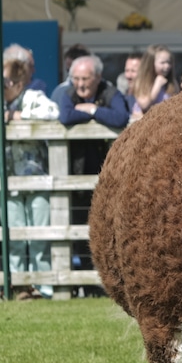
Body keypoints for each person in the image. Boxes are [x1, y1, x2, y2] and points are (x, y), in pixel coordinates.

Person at [0, 44, 60, 300]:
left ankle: (43, 288)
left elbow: (53, 112)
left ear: (19, 82)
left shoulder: (33, 98)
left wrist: (20, 115)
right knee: (15, 236)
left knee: (40, 236)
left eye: (9, 80)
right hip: (9, 181)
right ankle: (19, 286)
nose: (4, 85)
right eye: (2, 80)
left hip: (36, 178)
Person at [57, 54, 130, 290]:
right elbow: (66, 115)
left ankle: (103, 286)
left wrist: (90, 109)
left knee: (105, 235)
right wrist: (95, 112)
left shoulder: (110, 93)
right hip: (76, 177)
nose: (80, 84)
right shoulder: (68, 94)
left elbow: (120, 116)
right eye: (76, 78)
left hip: (105, 178)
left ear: (98, 77)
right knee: (79, 233)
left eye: (85, 79)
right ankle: (83, 285)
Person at [130, 44, 174, 120]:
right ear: (150, 63)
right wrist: (157, 85)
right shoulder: (141, 82)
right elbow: (144, 105)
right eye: (162, 63)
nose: (167, 66)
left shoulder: (171, 83)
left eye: (169, 62)